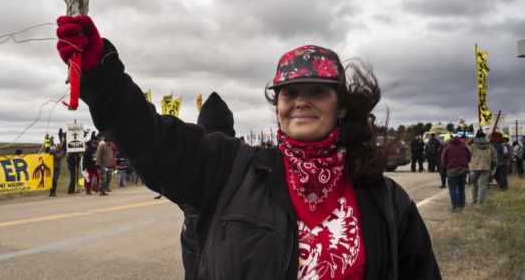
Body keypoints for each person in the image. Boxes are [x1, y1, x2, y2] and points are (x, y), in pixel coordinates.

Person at [55, 16, 440, 279]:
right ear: (278, 107)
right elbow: (155, 141)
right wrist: (101, 76)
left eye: (317, 92)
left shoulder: (386, 201)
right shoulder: (231, 169)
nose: (301, 101)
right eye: (290, 92)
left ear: (341, 106)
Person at [181, 91, 236, 280]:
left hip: (194, 218)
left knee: (194, 273)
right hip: (230, 220)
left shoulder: (192, 151)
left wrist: (188, 209)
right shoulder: (239, 151)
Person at [441, 135, 471, 211]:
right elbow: (469, 157)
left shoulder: (447, 148)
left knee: (453, 189)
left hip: (452, 170)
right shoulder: (464, 147)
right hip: (463, 169)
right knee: (461, 189)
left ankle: (456, 206)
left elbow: (443, 159)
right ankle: (462, 205)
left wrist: (447, 166)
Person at [468, 131, 497, 204]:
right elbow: (494, 158)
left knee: (473, 184)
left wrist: (468, 165)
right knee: (483, 185)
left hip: (473, 168)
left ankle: (474, 200)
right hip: (485, 168)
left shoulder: (472, 146)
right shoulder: (490, 146)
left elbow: (467, 156)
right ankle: (480, 202)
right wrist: (492, 166)